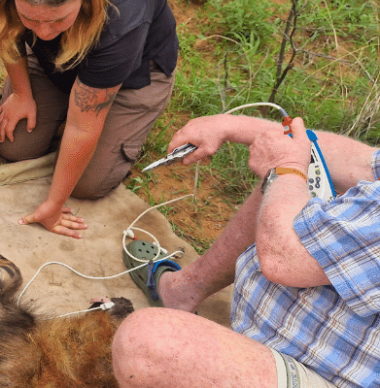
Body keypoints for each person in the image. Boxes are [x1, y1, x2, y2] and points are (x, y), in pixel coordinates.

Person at [111, 114, 380, 388]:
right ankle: (182, 292)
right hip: (296, 339)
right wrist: (229, 127)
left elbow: (283, 259)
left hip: (336, 376)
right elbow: (363, 163)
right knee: (290, 173)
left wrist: (285, 168)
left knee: (145, 344)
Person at [0, 0, 178, 238]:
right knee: (14, 146)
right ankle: (57, 107)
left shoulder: (124, 10)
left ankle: (121, 127)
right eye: (31, 19)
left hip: (131, 77)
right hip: (54, 61)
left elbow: (83, 125)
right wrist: (21, 93)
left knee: (87, 184)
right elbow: (7, 29)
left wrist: (53, 203)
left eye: (57, 19)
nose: (44, 32)